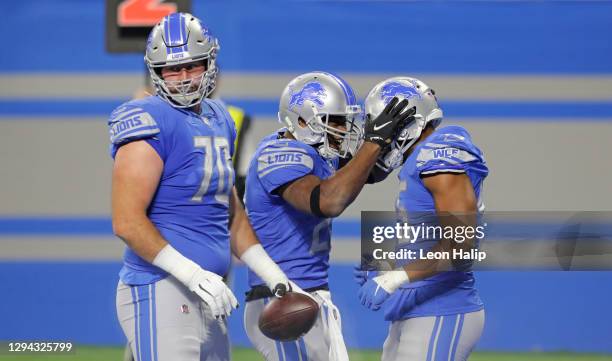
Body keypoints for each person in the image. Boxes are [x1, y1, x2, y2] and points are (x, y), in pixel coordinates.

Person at [110, 13, 291, 361]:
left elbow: (231, 210)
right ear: (156, 72)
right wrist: (193, 275)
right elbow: (127, 222)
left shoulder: (219, 117)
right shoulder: (147, 118)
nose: (182, 78)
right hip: (162, 287)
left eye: (191, 66)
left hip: (210, 291)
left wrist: (274, 276)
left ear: (210, 63)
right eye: (171, 69)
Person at [243, 71, 415, 361]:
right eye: (334, 120)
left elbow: (365, 172)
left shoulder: (316, 152)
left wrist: (390, 140)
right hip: (283, 296)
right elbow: (326, 201)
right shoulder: (280, 152)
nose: (343, 129)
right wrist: (374, 143)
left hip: (308, 295)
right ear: (301, 120)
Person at [355, 77, 488, 361]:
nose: (378, 138)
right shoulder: (417, 162)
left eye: (384, 128)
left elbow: (461, 243)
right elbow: (424, 236)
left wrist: (394, 279)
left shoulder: (437, 156)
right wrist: (388, 265)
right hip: (415, 306)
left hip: (442, 308)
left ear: (407, 124)